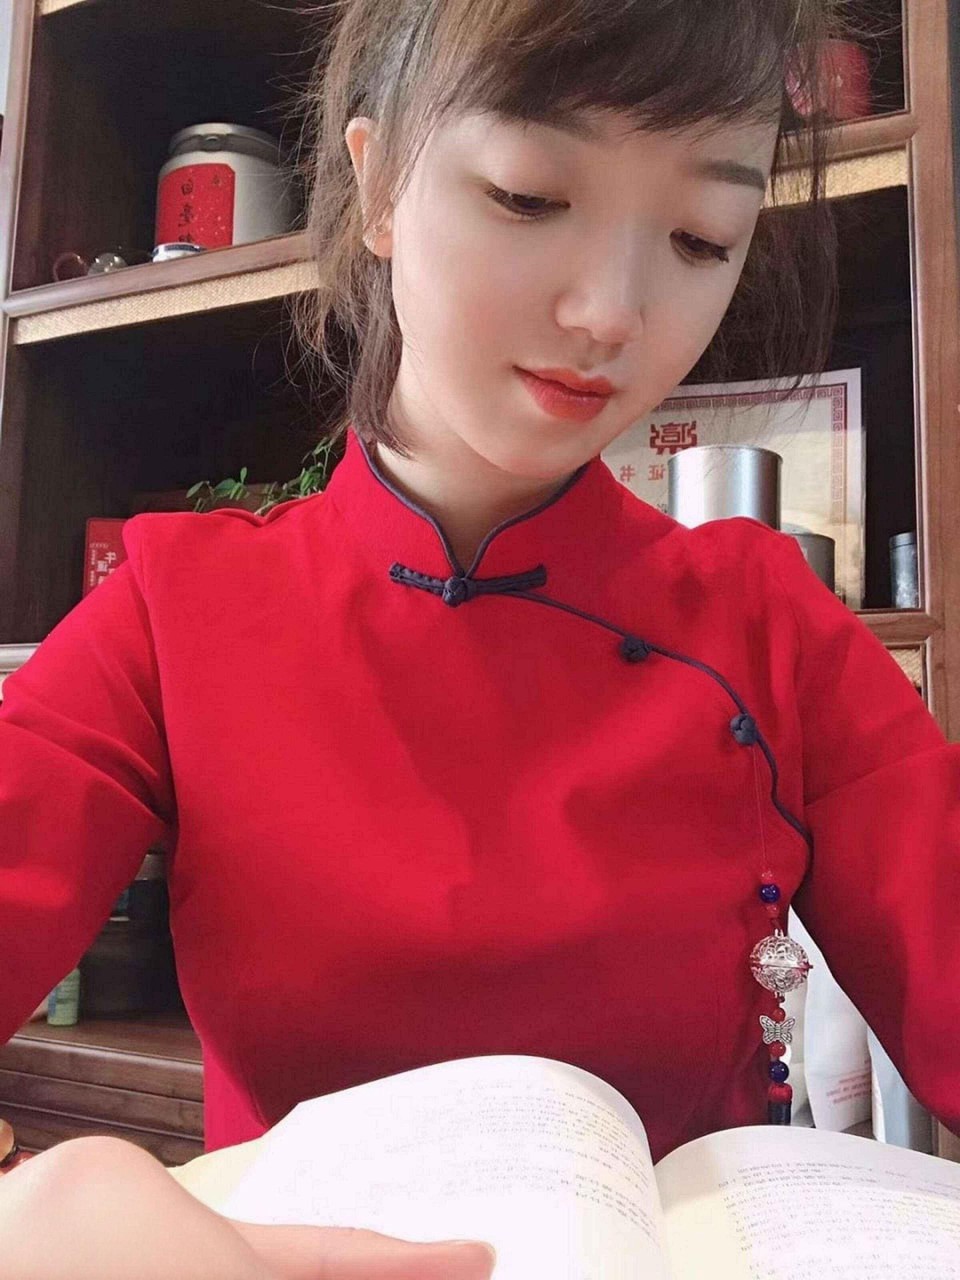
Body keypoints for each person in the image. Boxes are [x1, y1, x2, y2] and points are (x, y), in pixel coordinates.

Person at [2, 0, 958, 1274]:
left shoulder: (768, 621)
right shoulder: (175, 609)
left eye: (699, 236)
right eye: (527, 195)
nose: (612, 312)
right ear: (378, 183)